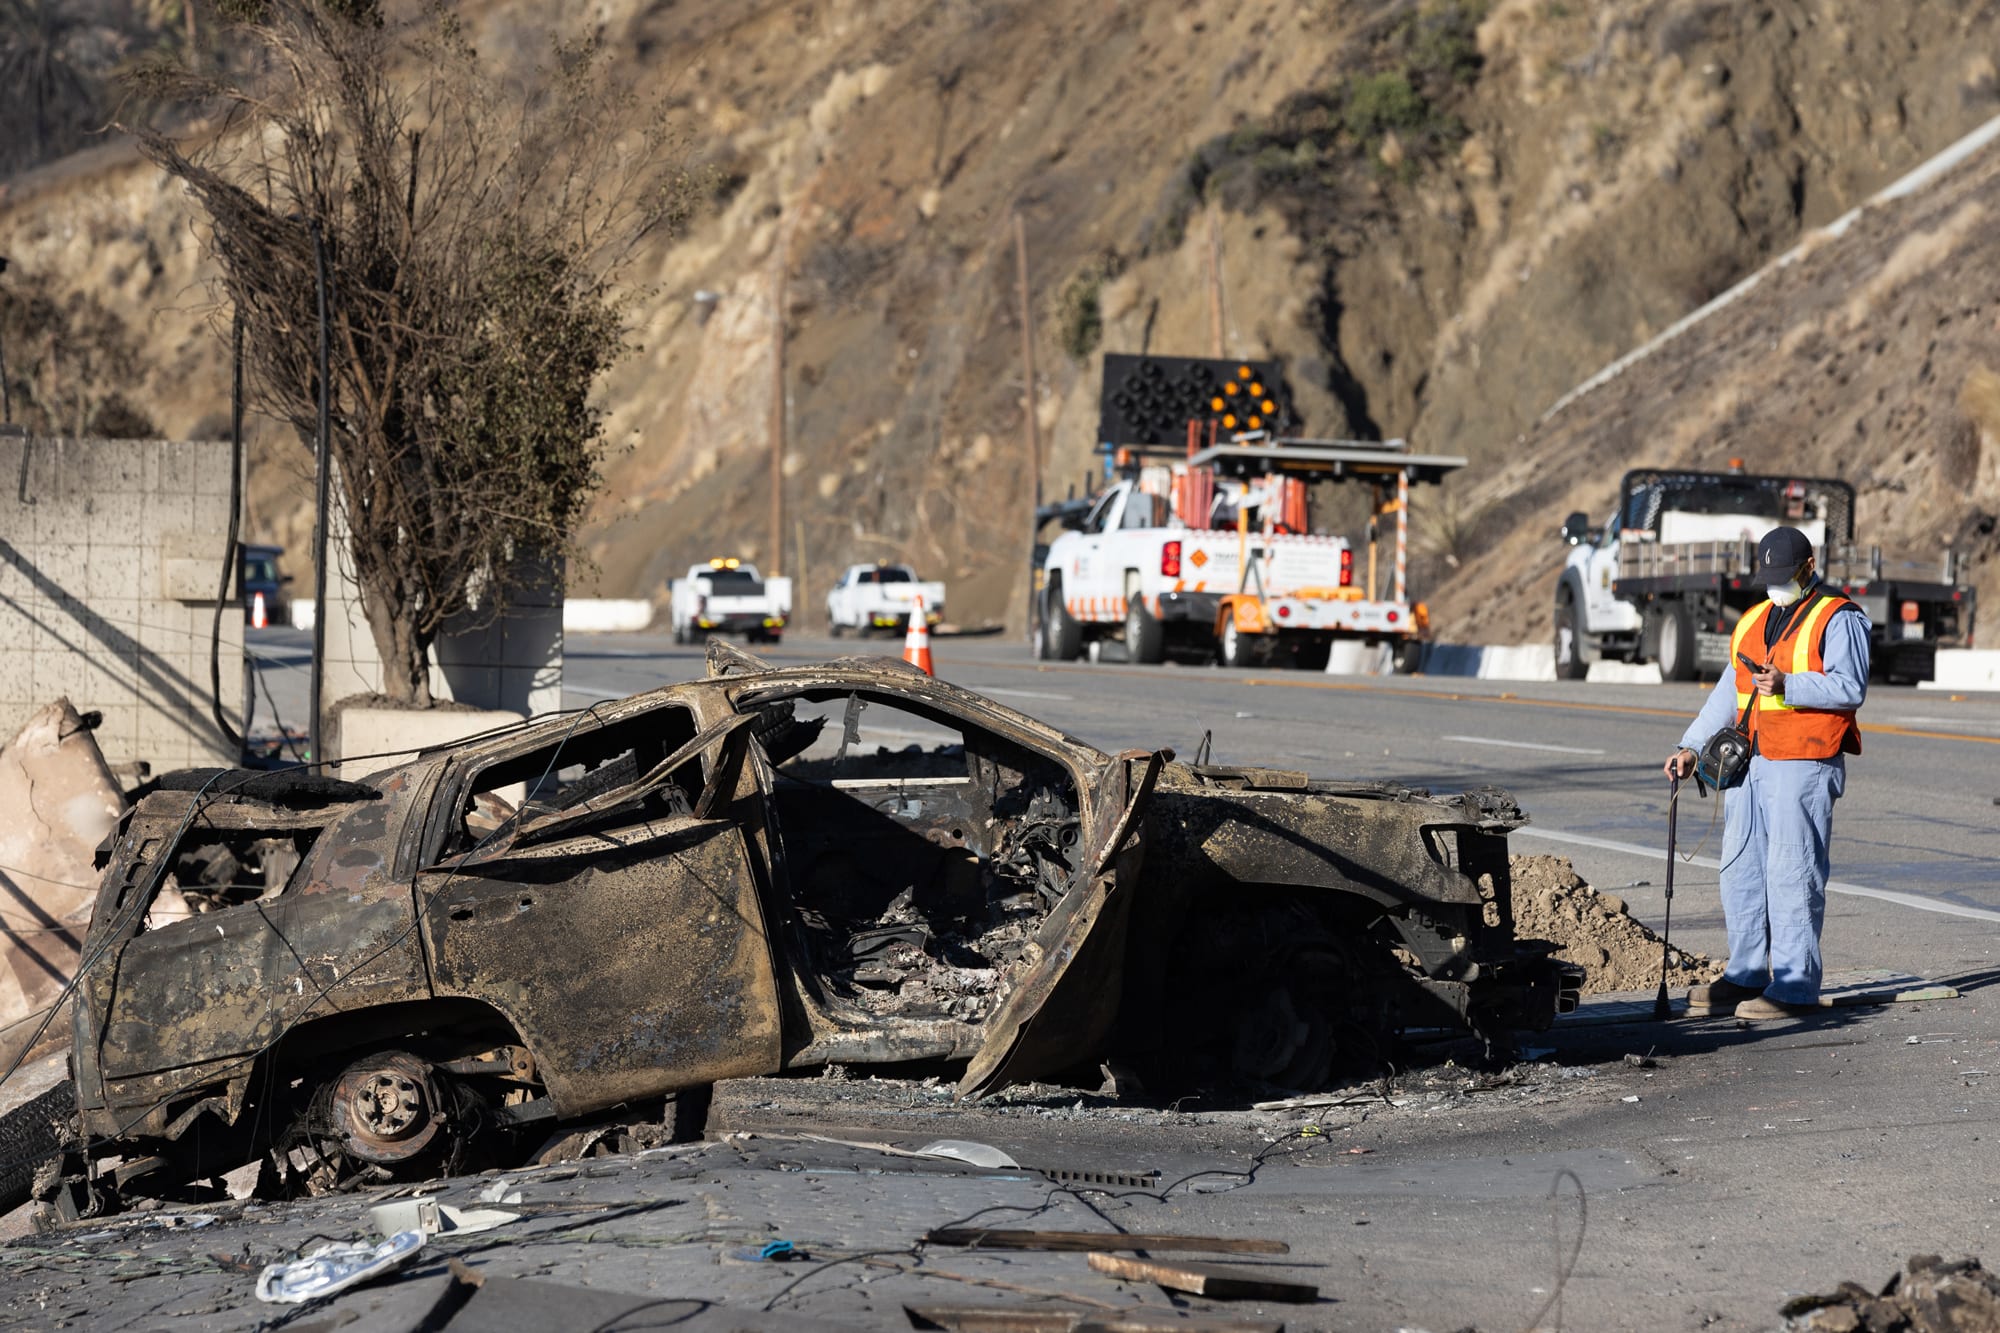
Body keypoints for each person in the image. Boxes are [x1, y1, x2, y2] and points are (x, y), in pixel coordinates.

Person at [1663, 525, 1871, 1020]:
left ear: (1809, 567)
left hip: (1803, 763)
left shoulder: (1839, 617)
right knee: (1741, 870)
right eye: (1770, 577)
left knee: (1791, 870)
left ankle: (1795, 985)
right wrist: (1691, 747)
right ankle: (1746, 973)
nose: (1776, 585)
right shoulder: (1754, 619)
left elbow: (1850, 687)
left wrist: (1788, 684)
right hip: (1749, 765)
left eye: (1785, 576)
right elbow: (1726, 694)